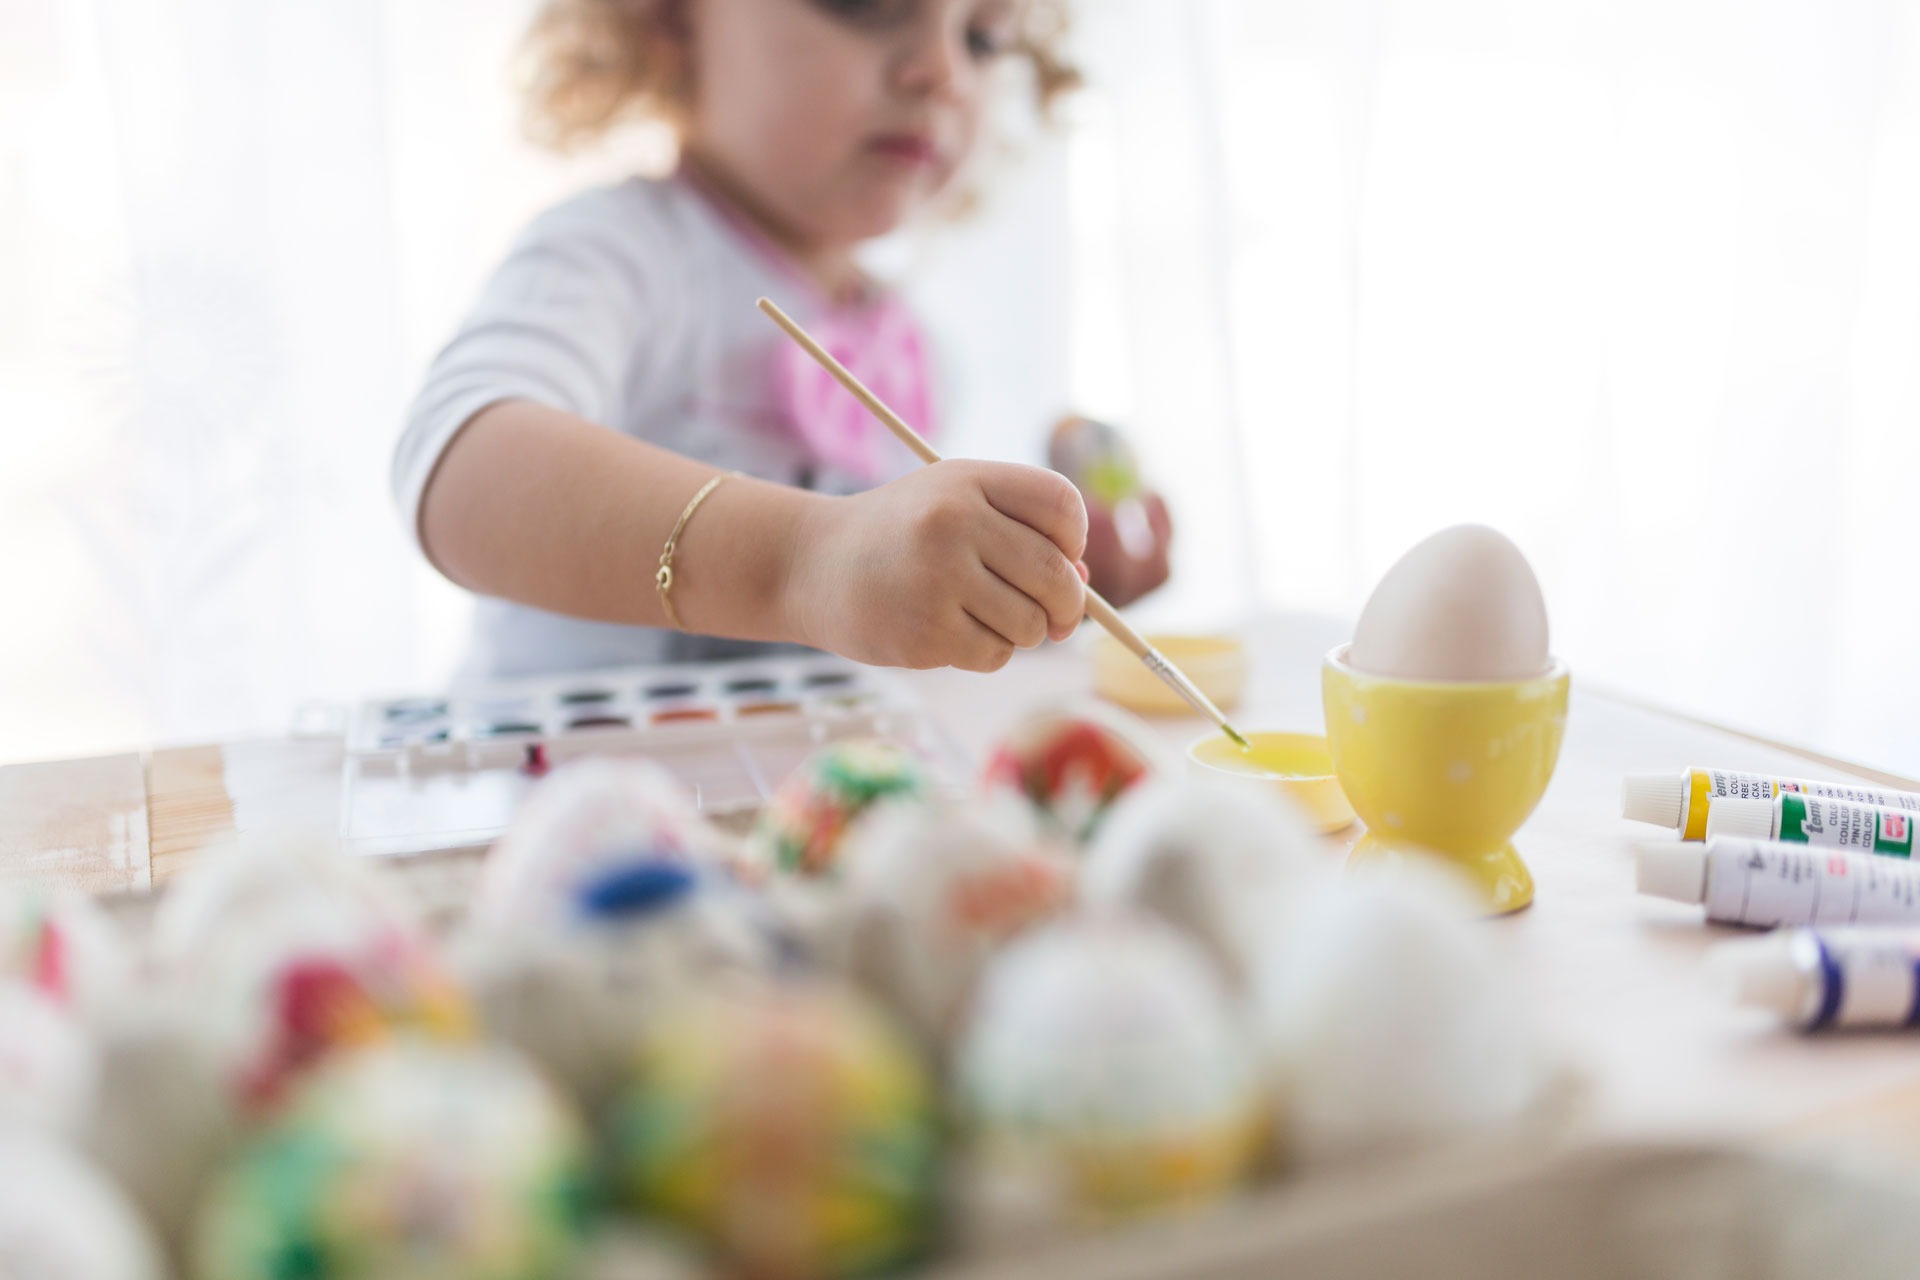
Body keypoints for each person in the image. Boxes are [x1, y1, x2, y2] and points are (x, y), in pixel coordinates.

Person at [394, 0, 1164, 682]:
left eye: (984, 37)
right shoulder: (616, 253)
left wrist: (1034, 596)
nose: (943, 72)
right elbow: (461, 467)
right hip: (555, 803)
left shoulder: (914, 349)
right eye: (865, 4)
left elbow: (876, 629)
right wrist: (806, 561)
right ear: (667, 16)